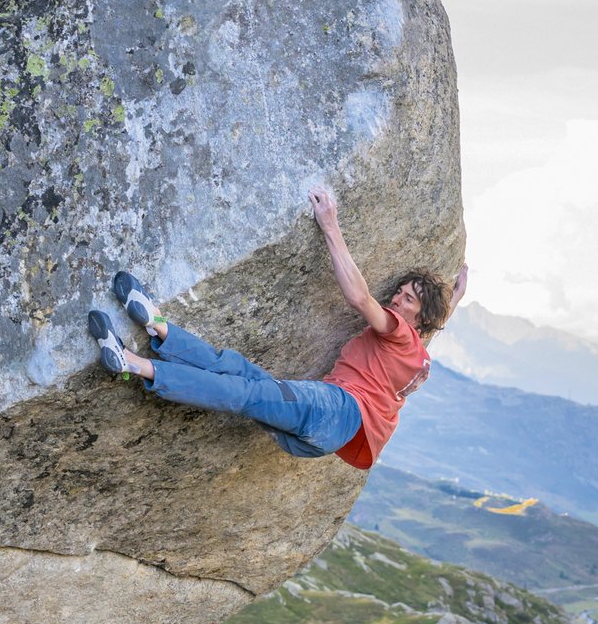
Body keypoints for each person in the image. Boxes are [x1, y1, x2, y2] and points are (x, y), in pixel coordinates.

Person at [87, 184, 467, 466]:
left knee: (241, 393)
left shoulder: (400, 331)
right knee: (236, 370)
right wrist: (453, 299)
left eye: (408, 299)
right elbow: (429, 324)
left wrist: (330, 225)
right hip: (321, 437)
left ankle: (133, 365)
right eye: (399, 293)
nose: (397, 300)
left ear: (418, 318)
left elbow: (359, 299)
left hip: (336, 410)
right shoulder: (417, 357)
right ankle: (159, 328)